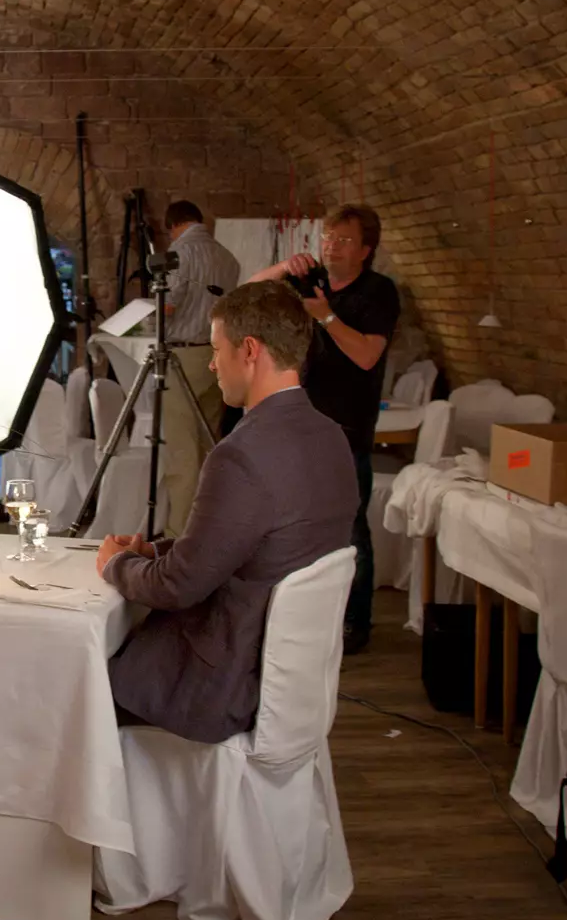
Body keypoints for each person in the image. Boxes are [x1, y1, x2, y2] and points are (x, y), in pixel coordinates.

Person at [95, 281, 358, 744]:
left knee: (78, 685)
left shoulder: (240, 455)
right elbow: (256, 542)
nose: (213, 363)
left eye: (217, 349)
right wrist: (155, 549)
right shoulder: (333, 437)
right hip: (294, 681)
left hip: (225, 686)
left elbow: (176, 586)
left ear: (249, 351)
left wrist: (116, 565)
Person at [248, 205, 399, 655]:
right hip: (298, 423)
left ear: (366, 250)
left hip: (348, 427)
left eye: (344, 240)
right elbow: (244, 297)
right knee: (291, 520)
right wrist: (281, 268)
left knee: (350, 529)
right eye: (328, 237)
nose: (332, 246)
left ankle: (355, 624)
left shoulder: (379, 292)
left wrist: (325, 316)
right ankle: (298, 614)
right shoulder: (307, 280)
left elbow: (368, 355)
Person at [158, 199, 242, 539]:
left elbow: (170, 303)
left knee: (181, 449)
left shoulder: (180, 254)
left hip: (182, 357)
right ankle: (210, 528)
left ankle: (179, 535)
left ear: (173, 225)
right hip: (219, 354)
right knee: (209, 443)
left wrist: (151, 309)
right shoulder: (227, 257)